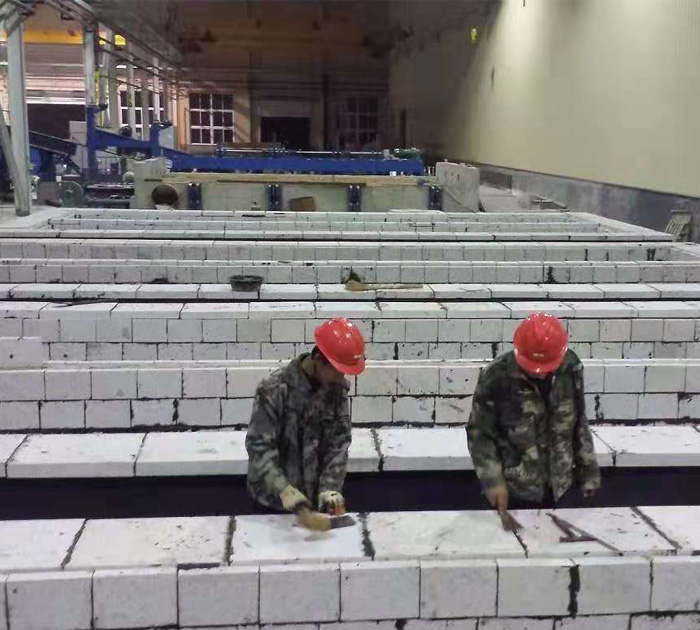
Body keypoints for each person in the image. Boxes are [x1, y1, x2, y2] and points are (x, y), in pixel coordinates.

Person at [467, 312, 601, 512]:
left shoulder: (571, 367)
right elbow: (479, 433)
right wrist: (492, 480)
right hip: (515, 490)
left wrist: (588, 470)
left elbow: (579, 420)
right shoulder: (496, 376)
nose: (540, 372)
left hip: (561, 486)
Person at [246, 317, 366, 515]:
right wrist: (284, 491)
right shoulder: (274, 389)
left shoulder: (335, 389)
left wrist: (329, 490)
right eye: (337, 371)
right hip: (273, 505)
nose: (341, 378)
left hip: (314, 502)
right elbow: (259, 447)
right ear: (318, 359)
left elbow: (338, 444)